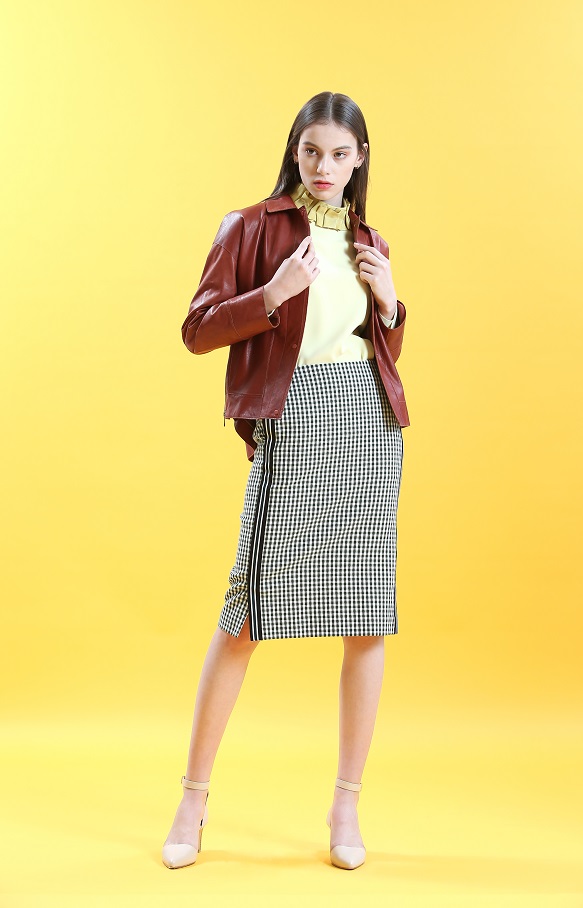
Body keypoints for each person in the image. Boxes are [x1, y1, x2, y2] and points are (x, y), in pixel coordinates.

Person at [163, 90, 410, 871]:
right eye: (312, 152)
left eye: (339, 154)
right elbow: (197, 329)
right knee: (247, 609)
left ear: (360, 158)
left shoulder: (369, 240)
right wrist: (269, 297)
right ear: (294, 152)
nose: (324, 167)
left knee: (367, 615)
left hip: (369, 425)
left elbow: (380, 350)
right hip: (292, 416)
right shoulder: (251, 227)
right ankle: (192, 800)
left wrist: (391, 304)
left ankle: (346, 806)